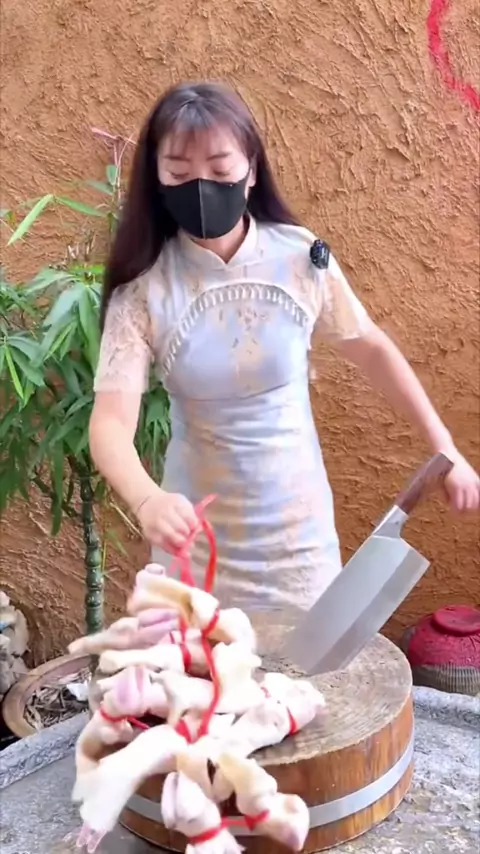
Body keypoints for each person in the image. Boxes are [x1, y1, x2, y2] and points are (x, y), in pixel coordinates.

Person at [90, 81, 479, 612]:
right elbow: (110, 424)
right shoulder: (145, 289)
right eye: (179, 174)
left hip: (298, 537)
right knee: (200, 662)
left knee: (309, 662)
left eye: (220, 169)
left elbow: (371, 348)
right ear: (156, 180)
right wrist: (147, 498)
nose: (201, 187)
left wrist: (445, 448)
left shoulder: (301, 259)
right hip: (195, 540)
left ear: (251, 168)